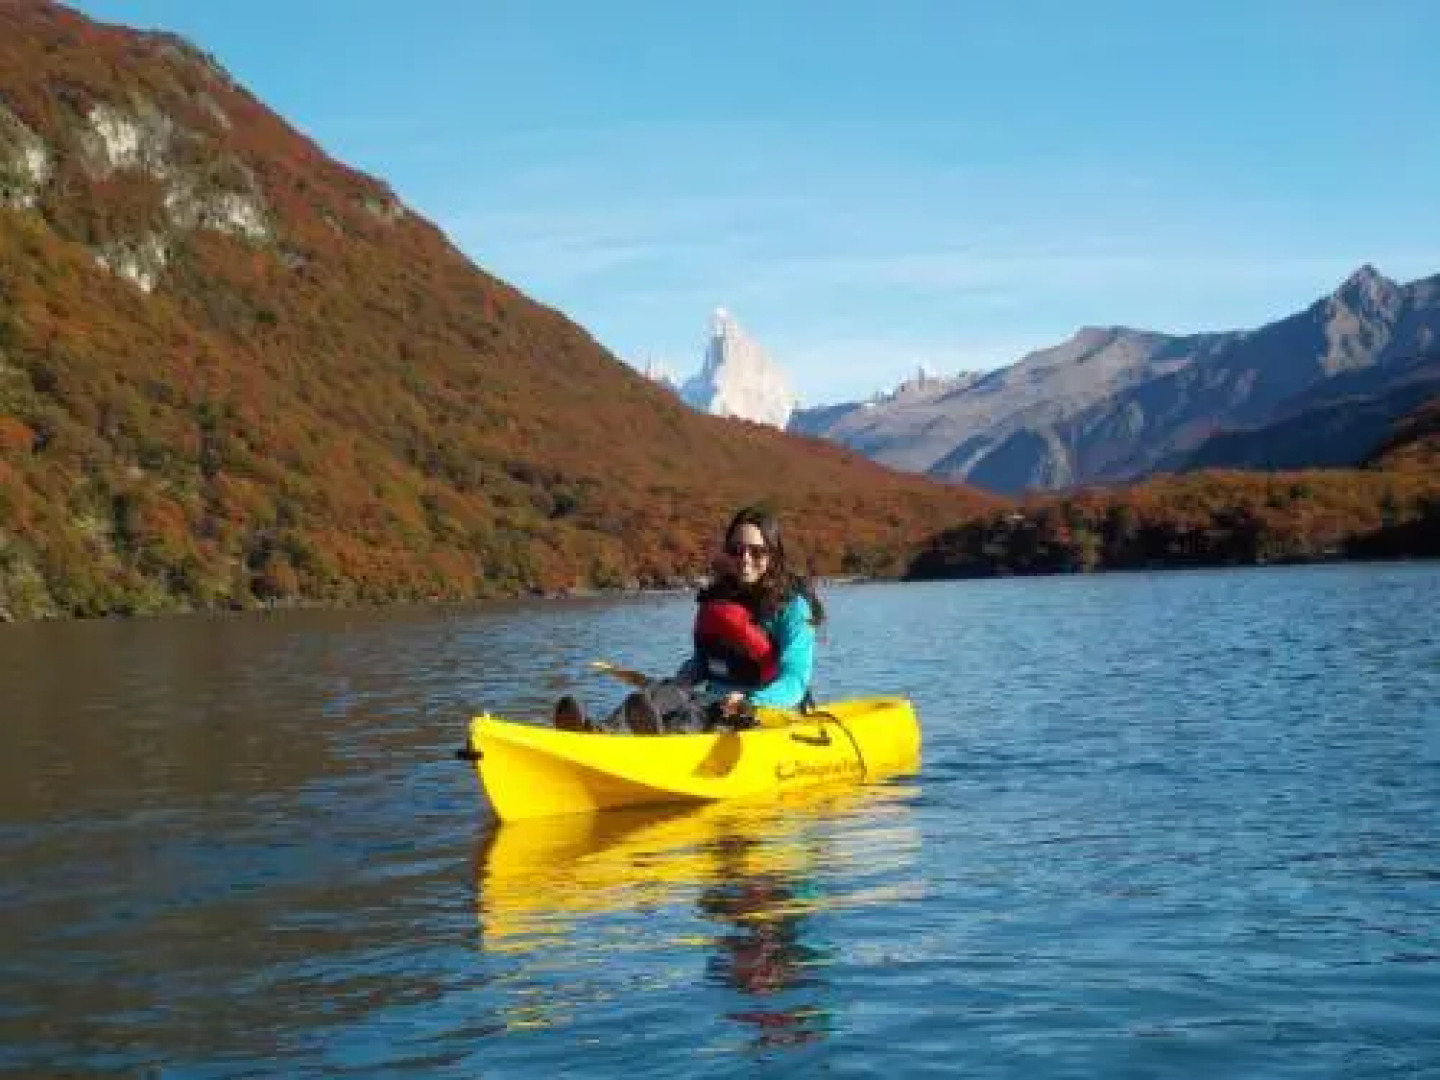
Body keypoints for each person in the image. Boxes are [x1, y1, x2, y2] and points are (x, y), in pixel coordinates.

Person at [554, 505, 825, 733]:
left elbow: (795, 681)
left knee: (698, 711)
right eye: (736, 549)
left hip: (762, 710)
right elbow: (704, 661)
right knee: (666, 692)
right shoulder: (720, 600)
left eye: (757, 551)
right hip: (715, 697)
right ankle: (604, 732)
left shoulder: (793, 608)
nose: (745, 559)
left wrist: (751, 700)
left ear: (773, 556)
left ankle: (668, 744)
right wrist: (684, 678)